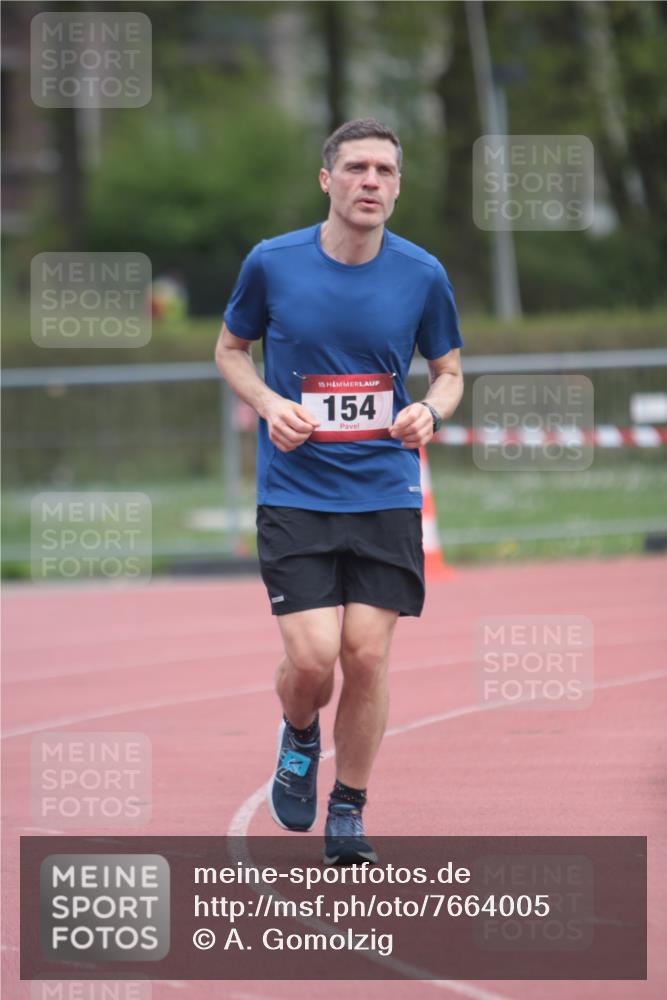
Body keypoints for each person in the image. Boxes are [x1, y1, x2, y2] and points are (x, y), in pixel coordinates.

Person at [215, 117, 463, 864]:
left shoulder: (422, 273)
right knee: (315, 658)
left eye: (384, 170)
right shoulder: (272, 263)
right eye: (356, 168)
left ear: (398, 186)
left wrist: (430, 411)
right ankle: (299, 735)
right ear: (327, 180)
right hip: (295, 492)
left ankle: (348, 806)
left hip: (384, 490)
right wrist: (269, 404)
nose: (370, 181)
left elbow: (449, 373)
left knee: (367, 655)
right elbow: (230, 350)